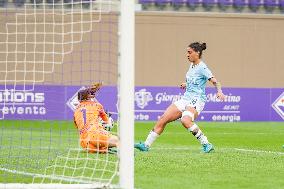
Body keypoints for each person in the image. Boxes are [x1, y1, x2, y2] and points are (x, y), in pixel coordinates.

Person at [135, 42, 225, 153]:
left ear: (197, 53)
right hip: (186, 98)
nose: (187, 55)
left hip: (196, 100)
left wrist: (219, 92)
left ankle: (206, 144)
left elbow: (215, 81)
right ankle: (146, 145)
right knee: (164, 118)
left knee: (185, 120)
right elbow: (196, 81)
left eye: (189, 52)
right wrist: (186, 84)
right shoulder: (192, 65)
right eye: (187, 52)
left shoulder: (202, 67)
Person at [73, 82, 118, 153]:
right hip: (96, 135)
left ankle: (104, 149)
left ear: (79, 100)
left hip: (84, 143)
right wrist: (103, 126)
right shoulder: (97, 105)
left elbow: (77, 126)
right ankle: (138, 145)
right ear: (89, 97)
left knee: (101, 146)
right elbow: (106, 121)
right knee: (120, 141)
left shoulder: (76, 110)